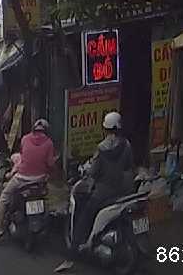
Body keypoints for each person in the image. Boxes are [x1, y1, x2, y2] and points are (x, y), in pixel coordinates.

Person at [56, 111, 135, 273]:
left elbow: (93, 172)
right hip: (123, 191)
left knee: (84, 217)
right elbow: (129, 166)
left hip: (103, 192)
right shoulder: (126, 145)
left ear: (105, 129)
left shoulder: (101, 148)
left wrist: (89, 177)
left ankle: (72, 255)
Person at [0, 118, 58, 244]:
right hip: (39, 180)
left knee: (3, 199)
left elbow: (23, 157)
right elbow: (50, 163)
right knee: (46, 199)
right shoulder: (49, 143)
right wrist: (52, 172)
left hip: (22, 178)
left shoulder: (25, 139)